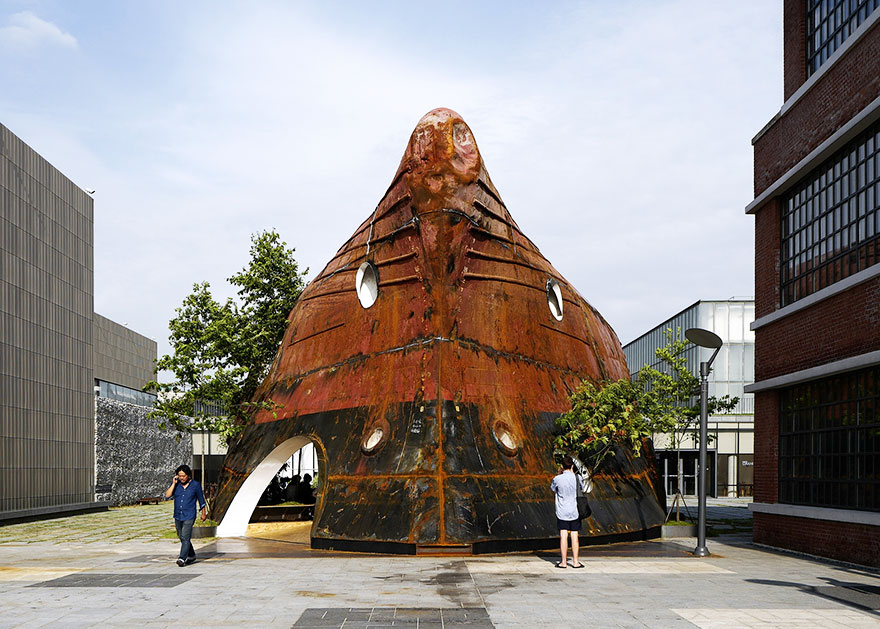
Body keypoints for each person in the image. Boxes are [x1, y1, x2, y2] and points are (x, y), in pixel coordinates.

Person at [165, 464, 207, 567]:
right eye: (179, 476)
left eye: (183, 476)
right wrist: (173, 483)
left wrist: (203, 513)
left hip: (189, 515)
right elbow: (167, 495)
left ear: (188, 475)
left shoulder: (195, 485)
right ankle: (191, 555)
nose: (181, 478)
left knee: (185, 536)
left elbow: (201, 500)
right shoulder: (176, 485)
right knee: (181, 536)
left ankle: (182, 558)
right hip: (178, 515)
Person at [550, 455, 584, 569]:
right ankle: (575, 562)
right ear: (572, 466)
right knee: (574, 535)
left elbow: (553, 489)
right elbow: (583, 488)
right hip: (574, 510)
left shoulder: (557, 479)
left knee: (563, 535)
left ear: (562, 466)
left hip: (562, 510)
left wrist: (559, 474)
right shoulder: (577, 478)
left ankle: (563, 562)